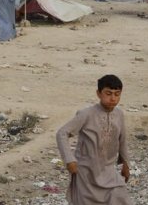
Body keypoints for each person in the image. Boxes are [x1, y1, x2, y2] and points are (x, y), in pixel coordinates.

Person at [56, 74, 132, 205]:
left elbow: (122, 140)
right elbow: (62, 133)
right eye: (108, 93)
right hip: (86, 174)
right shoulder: (86, 114)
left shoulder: (119, 114)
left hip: (109, 171)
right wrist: (69, 160)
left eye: (117, 94)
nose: (113, 98)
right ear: (98, 94)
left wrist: (126, 164)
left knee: (120, 196)